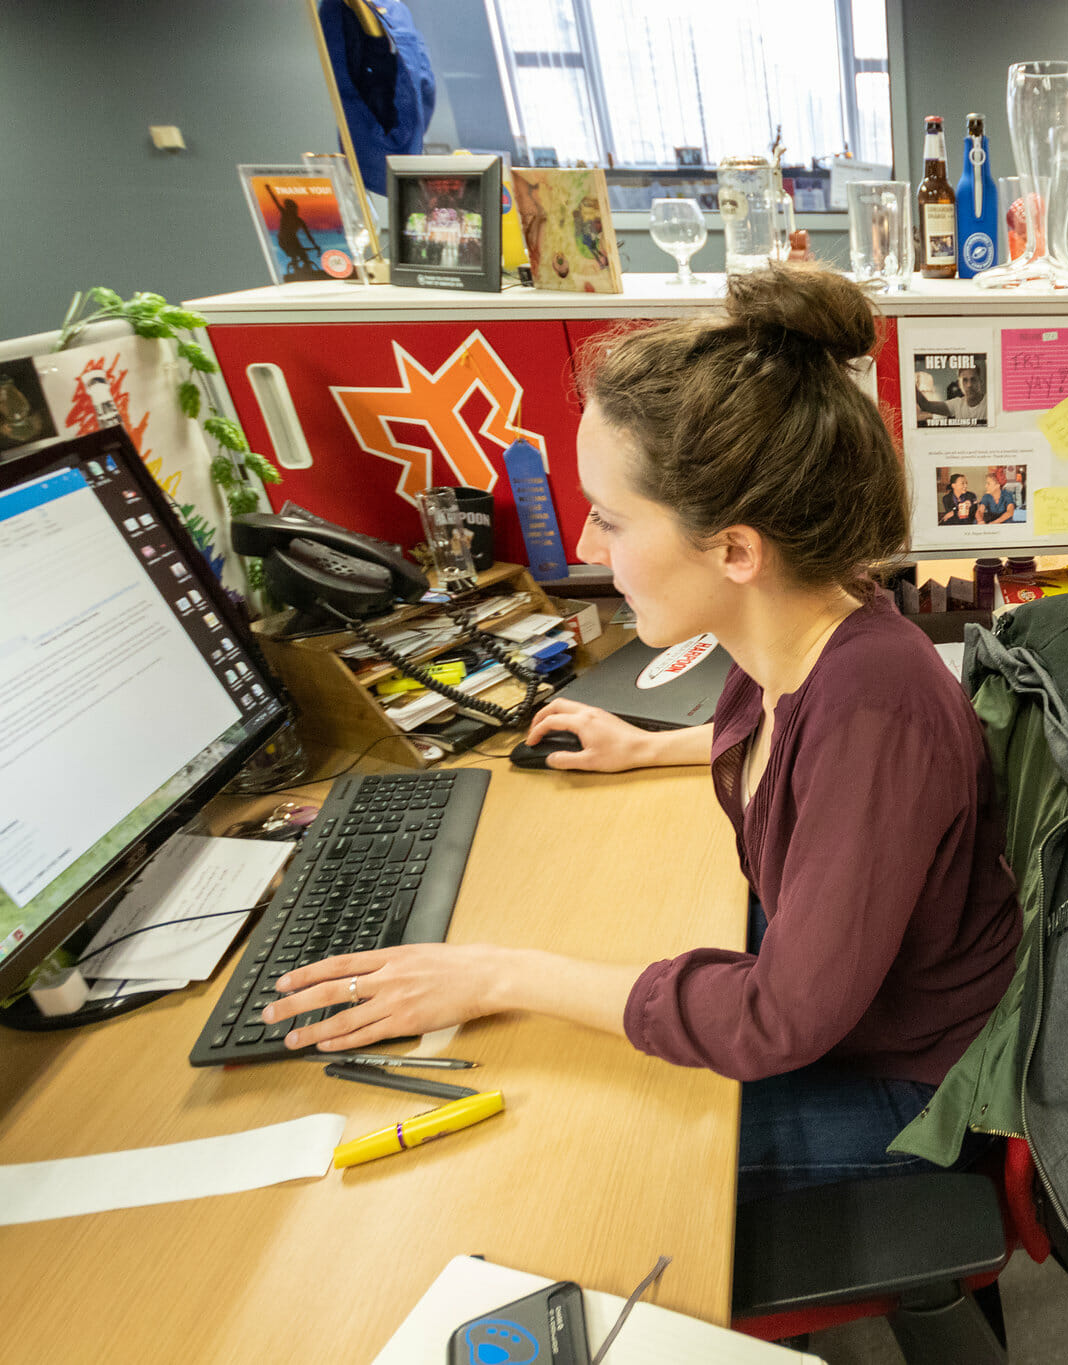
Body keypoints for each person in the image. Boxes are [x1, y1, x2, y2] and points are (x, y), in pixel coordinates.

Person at [263, 263, 1021, 1202]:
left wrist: (501, 974)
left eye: (613, 519)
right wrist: (650, 746)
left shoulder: (874, 710)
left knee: (573, 1147)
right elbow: (799, 769)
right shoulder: (796, 631)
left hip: (914, 1085)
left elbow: (776, 1021)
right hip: (852, 1013)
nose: (584, 546)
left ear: (736, 548)